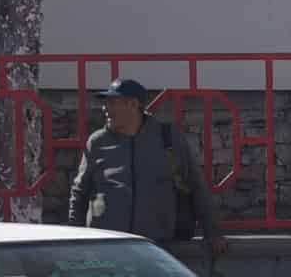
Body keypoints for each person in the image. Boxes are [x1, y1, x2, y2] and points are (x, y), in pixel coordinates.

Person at [66, 78, 224, 258]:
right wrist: (75, 235)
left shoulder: (168, 138)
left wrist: (212, 231)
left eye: (112, 103)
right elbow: (80, 192)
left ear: (133, 104)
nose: (105, 109)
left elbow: (196, 185)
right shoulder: (97, 142)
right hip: (106, 245)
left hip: (155, 247)